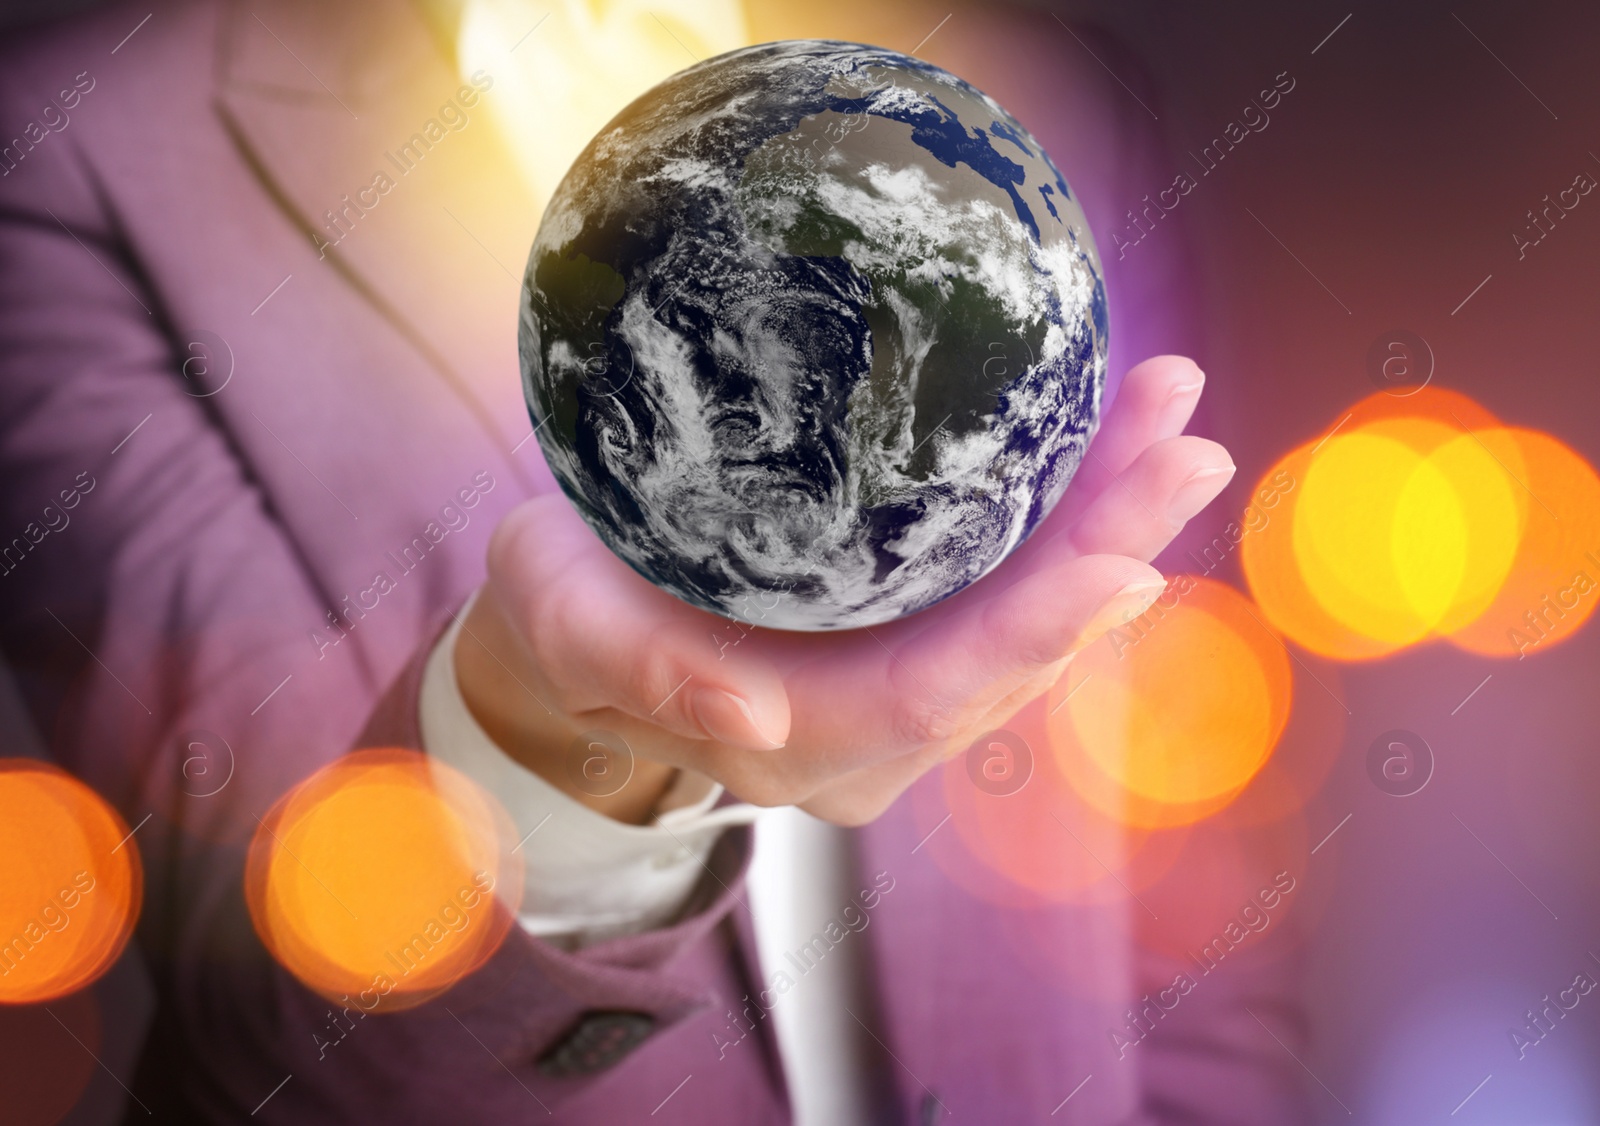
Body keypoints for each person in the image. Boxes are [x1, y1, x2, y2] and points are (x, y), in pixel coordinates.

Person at [0, 0, 1305, 1120]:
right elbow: (271, 1021)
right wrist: (548, 751)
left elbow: (1184, 887)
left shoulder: (1032, 98)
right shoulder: (77, 159)